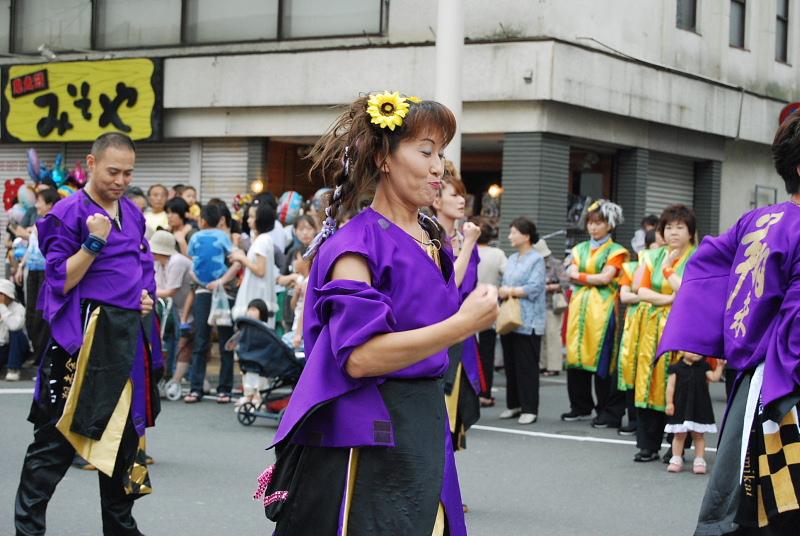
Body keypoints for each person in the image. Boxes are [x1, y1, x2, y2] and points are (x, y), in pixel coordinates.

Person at [256, 92, 497, 535]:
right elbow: (360, 357)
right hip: (373, 430)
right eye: (425, 151)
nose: (438, 167)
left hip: (424, 417)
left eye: (440, 154)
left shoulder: (430, 237)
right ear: (384, 157)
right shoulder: (355, 244)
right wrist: (461, 325)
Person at [656, 114, 800, 534]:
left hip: (755, 380)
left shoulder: (755, 221)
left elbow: (705, 269)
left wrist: (734, 340)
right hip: (785, 385)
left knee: (743, 503)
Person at [15, 132, 160, 536]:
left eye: (128, 172)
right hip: (82, 342)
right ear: (91, 163)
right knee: (55, 444)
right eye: (113, 171)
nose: (120, 180)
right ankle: (28, 530)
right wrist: (94, 241)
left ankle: (122, 531)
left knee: (123, 445)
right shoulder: (67, 212)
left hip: (126, 341)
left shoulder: (132, 213)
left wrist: (146, 298)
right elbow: (60, 281)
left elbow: (142, 271)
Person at [631, 204, 697, 462]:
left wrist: (669, 274)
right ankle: (648, 443)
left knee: (678, 384)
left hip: (683, 327)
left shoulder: (697, 257)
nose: (673, 233)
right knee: (648, 381)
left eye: (680, 227)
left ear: (691, 232)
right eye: (668, 227)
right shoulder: (652, 256)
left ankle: (677, 444)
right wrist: (668, 298)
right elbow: (640, 290)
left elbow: (689, 291)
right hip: (652, 327)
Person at [562, 200, 629, 428]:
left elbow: (605, 278)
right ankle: (579, 405)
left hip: (603, 309)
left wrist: (579, 276)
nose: (593, 228)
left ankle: (605, 409)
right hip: (579, 307)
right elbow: (571, 272)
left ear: (609, 225)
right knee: (575, 357)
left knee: (602, 357)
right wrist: (586, 277)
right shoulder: (579, 248)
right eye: (591, 223)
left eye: (598, 223)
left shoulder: (616, 251)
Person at [432, 166, 483, 451]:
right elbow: (452, 283)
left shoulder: (465, 238)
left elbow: (471, 286)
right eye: (455, 195)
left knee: (457, 410)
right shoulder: (432, 239)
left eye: (463, 195)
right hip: (442, 328)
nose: (462, 201)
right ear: (437, 201)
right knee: (441, 407)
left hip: (464, 327)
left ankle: (447, 493)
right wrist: (470, 243)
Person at [184, 203, 241, 404]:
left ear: (202, 220)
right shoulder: (224, 237)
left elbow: (193, 263)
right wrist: (222, 281)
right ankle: (224, 390)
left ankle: (195, 388)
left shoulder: (195, 237)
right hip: (223, 292)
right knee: (226, 340)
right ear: (220, 220)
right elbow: (236, 261)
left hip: (202, 291)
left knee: (201, 340)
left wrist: (202, 281)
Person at [498, 217, 546, 425]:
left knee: (527, 366)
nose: (510, 236)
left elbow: (535, 288)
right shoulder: (512, 258)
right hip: (509, 317)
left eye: (513, 232)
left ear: (526, 236)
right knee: (511, 364)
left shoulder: (537, 259)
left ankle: (529, 408)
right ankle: (514, 405)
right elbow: (503, 282)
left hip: (529, 320)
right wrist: (503, 290)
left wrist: (509, 291)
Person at [616, 229, 662, 436]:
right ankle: (634, 418)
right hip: (635, 324)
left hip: (658, 323)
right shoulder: (633, 267)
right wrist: (652, 296)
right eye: (655, 245)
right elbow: (625, 296)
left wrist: (644, 295)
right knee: (631, 368)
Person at [15, 188, 61, 370]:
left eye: (40, 201)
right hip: (32, 270)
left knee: (42, 315)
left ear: (49, 204)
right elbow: (31, 247)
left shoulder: (57, 223)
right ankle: (37, 352)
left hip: (46, 272)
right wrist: (20, 267)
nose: (36, 205)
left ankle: (41, 356)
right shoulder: (39, 222)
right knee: (31, 314)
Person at [664, 353, 724, 474]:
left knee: (698, 435)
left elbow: (714, 378)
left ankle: (699, 459)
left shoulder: (704, 366)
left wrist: (720, 366)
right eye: (692, 350)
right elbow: (670, 386)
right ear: (682, 350)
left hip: (699, 405)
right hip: (681, 405)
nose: (697, 354)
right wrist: (669, 403)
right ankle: (676, 458)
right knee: (679, 434)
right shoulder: (676, 368)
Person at [150, 230, 194, 380]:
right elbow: (157, 286)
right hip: (173, 308)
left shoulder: (177, 261)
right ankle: (169, 375)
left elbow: (170, 290)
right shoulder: (158, 263)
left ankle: (180, 378)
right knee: (169, 340)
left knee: (183, 342)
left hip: (187, 308)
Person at [473, 217, 506, 407]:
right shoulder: (498, 254)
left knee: (468, 353)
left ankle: (471, 389)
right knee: (487, 353)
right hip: (489, 307)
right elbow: (508, 273)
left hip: (466, 307)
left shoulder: (466, 249)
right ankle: (485, 392)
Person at [230, 203, 277, 325]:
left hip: (257, 293)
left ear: (260, 219)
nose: (248, 220)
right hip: (256, 291)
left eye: (251, 216)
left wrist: (242, 258)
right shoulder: (262, 239)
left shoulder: (262, 240)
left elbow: (260, 271)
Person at [537, 238, 567, 377]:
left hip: (553, 305)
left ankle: (554, 366)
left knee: (553, 335)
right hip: (538, 305)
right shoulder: (535, 264)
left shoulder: (556, 264)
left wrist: (549, 286)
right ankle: (542, 364)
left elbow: (565, 282)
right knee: (542, 336)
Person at [0, 278, 26, 381]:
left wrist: (2, 308)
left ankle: (13, 368)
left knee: (16, 332)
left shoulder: (19, 308)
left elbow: (14, 326)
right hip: (2, 347)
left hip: (17, 347)